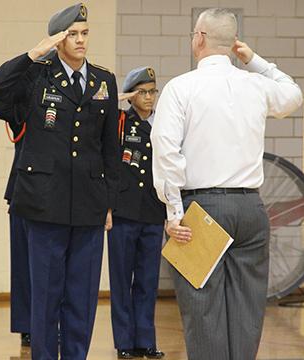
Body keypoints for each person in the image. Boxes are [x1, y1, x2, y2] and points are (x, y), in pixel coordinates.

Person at [151, 8, 303, 360]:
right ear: (233, 44)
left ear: (200, 38)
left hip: (202, 208)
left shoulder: (180, 88)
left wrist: (174, 213)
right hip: (251, 208)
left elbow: (166, 153)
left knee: (203, 312)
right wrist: (254, 60)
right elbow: (293, 94)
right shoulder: (255, 84)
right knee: (247, 311)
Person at [0, 3, 119, 359]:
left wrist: (109, 203)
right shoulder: (37, 75)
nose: (80, 41)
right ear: (58, 39)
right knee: (45, 294)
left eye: (84, 33)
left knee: (82, 295)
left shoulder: (104, 81)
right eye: (71, 34)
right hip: (44, 202)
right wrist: (35, 53)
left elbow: (110, 149)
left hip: (89, 204)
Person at [108, 66, 165, 359]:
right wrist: (119, 98)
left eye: (152, 91)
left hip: (154, 211)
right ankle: (125, 342)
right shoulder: (119, 121)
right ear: (131, 96)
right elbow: (96, 112)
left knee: (147, 280)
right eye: (141, 92)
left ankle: (146, 339)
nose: (148, 97)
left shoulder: (164, 124)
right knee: (121, 280)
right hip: (123, 212)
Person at [0, 99, 31, 347]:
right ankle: (27, 324)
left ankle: (52, 322)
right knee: (24, 264)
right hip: (23, 193)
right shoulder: (24, 108)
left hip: (59, 196)